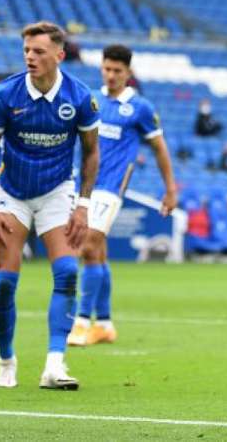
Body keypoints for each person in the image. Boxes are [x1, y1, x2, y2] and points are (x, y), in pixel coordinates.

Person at [0, 21, 100, 389]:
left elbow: (92, 153)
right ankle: (6, 361)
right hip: (11, 193)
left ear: (59, 55)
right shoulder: (5, 94)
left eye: (39, 51)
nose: (30, 57)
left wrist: (83, 205)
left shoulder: (79, 97)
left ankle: (54, 366)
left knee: (66, 273)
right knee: (3, 284)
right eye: (27, 51)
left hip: (56, 192)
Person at [66, 44, 177, 347]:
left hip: (112, 188)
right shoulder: (92, 100)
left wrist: (170, 189)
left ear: (128, 73)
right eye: (107, 69)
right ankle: (104, 324)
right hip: (84, 186)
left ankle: (79, 322)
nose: (111, 75)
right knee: (97, 252)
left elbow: (159, 148)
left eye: (117, 71)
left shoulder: (140, 107)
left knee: (87, 245)